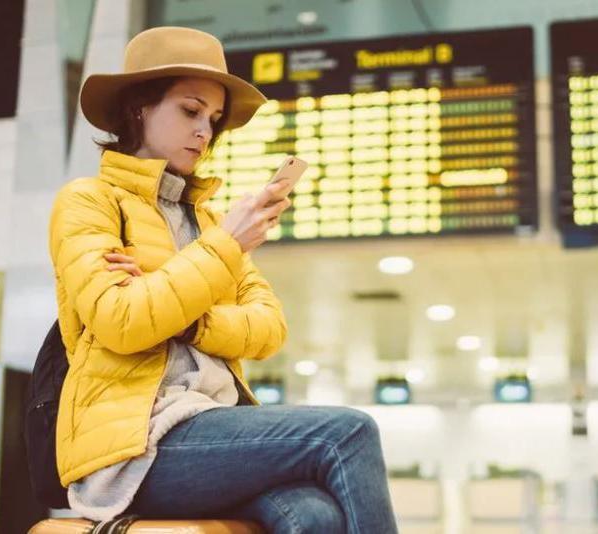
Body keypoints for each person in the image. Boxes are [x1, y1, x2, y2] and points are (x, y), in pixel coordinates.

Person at [48, 26, 399, 533]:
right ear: (139, 108)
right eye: (190, 111)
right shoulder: (90, 200)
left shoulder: (206, 222)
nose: (205, 132)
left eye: (213, 119)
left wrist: (180, 314)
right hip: (136, 445)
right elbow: (122, 322)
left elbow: (269, 328)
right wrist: (225, 248)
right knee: (347, 432)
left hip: (215, 432)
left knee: (314, 516)